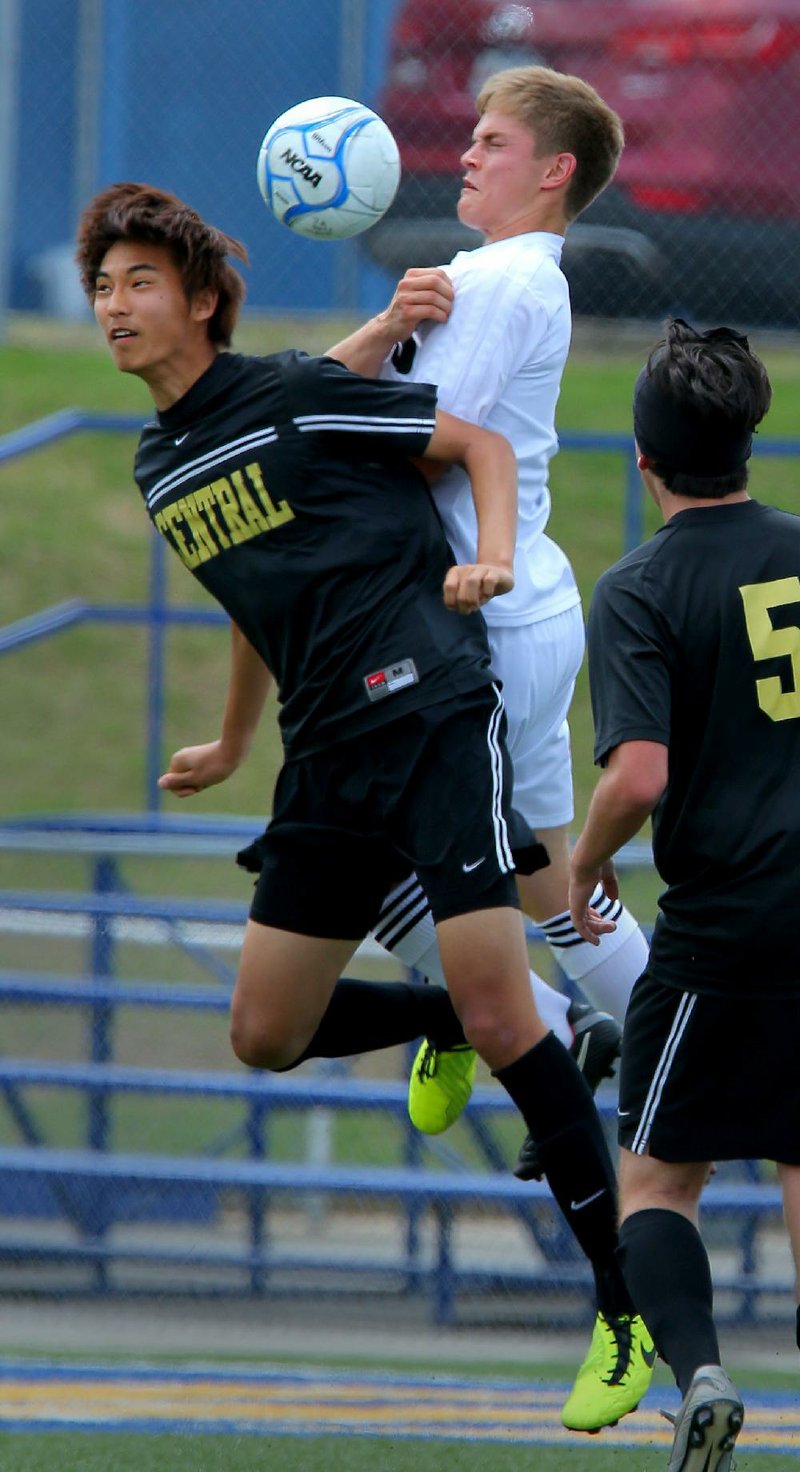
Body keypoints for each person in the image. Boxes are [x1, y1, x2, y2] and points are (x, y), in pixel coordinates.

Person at [76, 181, 654, 1434]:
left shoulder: (292, 390)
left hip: (436, 712)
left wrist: (488, 552)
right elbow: (255, 597)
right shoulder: (159, 457)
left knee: (512, 1015)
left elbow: (478, 447)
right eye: (102, 288)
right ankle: (438, 1006)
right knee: (262, 1031)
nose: (115, 306)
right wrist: (233, 738)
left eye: (137, 284)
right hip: (325, 747)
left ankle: (623, 1307)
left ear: (201, 301)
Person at [327, 65, 649, 1182]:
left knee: (418, 869)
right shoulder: (479, 272)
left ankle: (526, 1029)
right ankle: (636, 1041)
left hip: (484, 617)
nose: (465, 154)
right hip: (495, 609)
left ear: (553, 172)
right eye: (468, 136)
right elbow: (344, 403)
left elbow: (426, 431)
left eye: (492, 141)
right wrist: (378, 329)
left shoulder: (513, 281)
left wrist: (333, 406)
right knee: (544, 884)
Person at [568, 317, 800, 1469]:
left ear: (643, 456)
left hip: (724, 928)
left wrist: (584, 855)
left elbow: (639, 772)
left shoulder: (641, 585)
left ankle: (700, 1372)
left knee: (658, 1175)